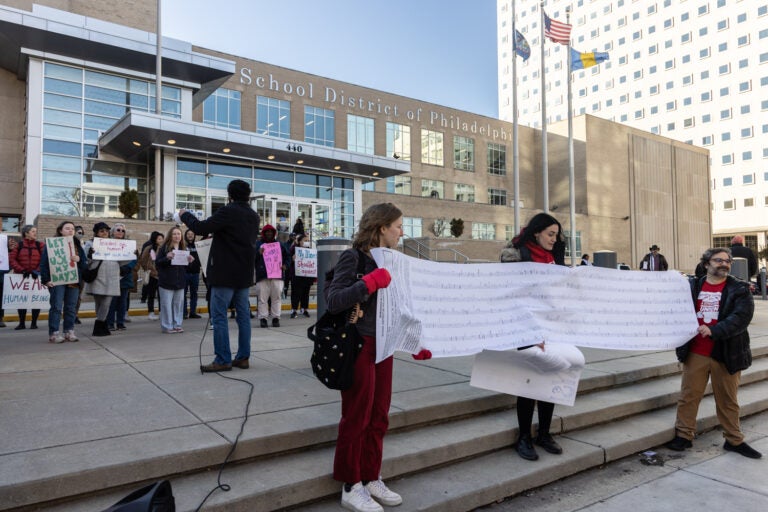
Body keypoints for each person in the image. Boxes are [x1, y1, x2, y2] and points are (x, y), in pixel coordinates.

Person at [326, 202, 428, 512]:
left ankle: (371, 476)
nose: (402, 231)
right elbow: (333, 301)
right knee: (357, 413)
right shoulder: (353, 257)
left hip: (385, 345)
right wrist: (368, 283)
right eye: (398, 225)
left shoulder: (396, 261)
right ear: (382, 227)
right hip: (359, 343)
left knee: (379, 414)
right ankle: (350, 483)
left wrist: (415, 342)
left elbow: (400, 307)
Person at [665, 248, 761, 459]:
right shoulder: (692, 287)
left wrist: (715, 330)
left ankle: (734, 440)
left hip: (726, 353)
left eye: (727, 261)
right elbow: (674, 309)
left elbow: (741, 318)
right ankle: (684, 435)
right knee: (689, 396)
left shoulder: (740, 289)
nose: (724, 264)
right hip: (695, 352)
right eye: (718, 260)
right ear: (707, 264)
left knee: (727, 399)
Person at [500, 212, 568, 461]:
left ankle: (545, 433)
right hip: (527, 328)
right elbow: (513, 296)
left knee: (550, 379)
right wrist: (532, 332)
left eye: (556, 235)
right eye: (550, 234)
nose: (554, 239)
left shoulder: (553, 256)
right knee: (529, 384)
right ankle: (524, 437)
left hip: (553, 328)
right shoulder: (516, 255)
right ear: (537, 232)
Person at [179, 179, 260, 372]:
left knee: (219, 315)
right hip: (243, 274)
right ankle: (243, 357)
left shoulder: (229, 211)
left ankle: (223, 358)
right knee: (243, 316)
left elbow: (199, 228)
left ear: (230, 195)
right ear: (248, 195)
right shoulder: (253, 216)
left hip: (224, 273)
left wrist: (185, 215)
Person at [40, 220, 88, 342]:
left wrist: (79, 259)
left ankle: (69, 331)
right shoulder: (52, 244)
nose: (70, 230)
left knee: (71, 307)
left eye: (72, 228)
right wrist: (46, 280)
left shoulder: (77, 245)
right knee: (56, 307)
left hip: (73, 281)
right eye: (67, 228)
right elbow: (44, 263)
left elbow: (84, 263)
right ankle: (54, 333)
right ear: (60, 230)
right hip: (57, 281)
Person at [85, 222, 121, 337]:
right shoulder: (90, 244)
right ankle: (103, 325)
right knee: (99, 303)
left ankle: (99, 324)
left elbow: (122, 261)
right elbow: (85, 261)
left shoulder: (114, 244)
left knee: (106, 303)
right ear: (96, 232)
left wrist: (132, 256)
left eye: (106, 230)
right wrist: (90, 255)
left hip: (112, 277)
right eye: (101, 230)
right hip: (98, 277)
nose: (104, 232)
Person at [155, 226, 193, 334]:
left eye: (179, 234)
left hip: (180, 282)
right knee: (166, 305)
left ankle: (177, 325)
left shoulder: (184, 249)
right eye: (174, 234)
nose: (177, 236)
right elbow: (158, 263)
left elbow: (186, 268)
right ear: (170, 236)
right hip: (166, 281)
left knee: (178, 304)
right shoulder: (164, 248)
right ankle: (167, 326)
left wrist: (190, 261)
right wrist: (167, 258)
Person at [10, 224, 44, 330]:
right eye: (33, 231)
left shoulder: (40, 245)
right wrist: (21, 270)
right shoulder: (19, 245)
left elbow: (44, 259)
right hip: (21, 277)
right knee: (22, 300)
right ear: (26, 233)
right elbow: (12, 259)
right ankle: (22, 323)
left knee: (36, 300)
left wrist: (37, 271)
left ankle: (34, 323)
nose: (35, 233)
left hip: (35, 277)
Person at [255, 224, 288, 328]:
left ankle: (275, 318)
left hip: (277, 276)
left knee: (277, 298)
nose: (269, 233)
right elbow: (250, 258)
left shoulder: (279, 244)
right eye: (267, 231)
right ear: (263, 233)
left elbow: (288, 256)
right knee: (262, 299)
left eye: (271, 231)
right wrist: (258, 253)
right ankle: (263, 319)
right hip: (262, 276)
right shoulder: (257, 244)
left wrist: (285, 265)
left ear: (274, 233)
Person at [106, 223, 136, 331]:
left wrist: (128, 267)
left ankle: (120, 322)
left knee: (122, 301)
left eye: (123, 231)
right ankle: (110, 322)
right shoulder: (107, 243)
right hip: (112, 275)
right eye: (118, 230)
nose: (121, 232)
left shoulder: (129, 244)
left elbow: (134, 258)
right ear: (113, 231)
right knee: (111, 301)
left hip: (125, 276)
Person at [139, 231, 164, 320]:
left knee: (162, 295)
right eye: (159, 239)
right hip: (152, 275)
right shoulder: (149, 248)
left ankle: (162, 312)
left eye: (162, 239)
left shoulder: (164, 248)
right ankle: (151, 312)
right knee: (151, 295)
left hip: (162, 275)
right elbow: (143, 260)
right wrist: (148, 269)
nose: (161, 240)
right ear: (155, 239)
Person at [289, 233, 314, 318]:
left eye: (307, 241)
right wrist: (292, 259)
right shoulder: (293, 249)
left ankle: (304, 309)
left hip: (306, 275)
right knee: (296, 293)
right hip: (297, 275)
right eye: (305, 240)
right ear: (299, 241)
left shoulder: (310, 251)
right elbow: (288, 260)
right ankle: (294, 309)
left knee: (306, 293)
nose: (306, 242)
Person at [0, 218, 19, 328]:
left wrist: (9, 267)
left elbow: (13, 254)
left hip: (1, 272)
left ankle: (0, 318)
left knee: (0, 296)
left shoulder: (5, 239)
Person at [183, 229, 202, 319]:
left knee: (194, 293)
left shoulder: (198, 246)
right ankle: (184, 313)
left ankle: (193, 312)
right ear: (186, 235)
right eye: (188, 234)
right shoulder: (182, 246)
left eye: (192, 234)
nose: (190, 235)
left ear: (194, 236)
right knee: (183, 293)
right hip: (185, 273)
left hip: (195, 273)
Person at [73, 225, 86, 325]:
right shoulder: (70, 244)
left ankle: (75, 315)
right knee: (71, 297)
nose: (80, 235)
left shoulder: (84, 245)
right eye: (79, 233)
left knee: (78, 297)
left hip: (81, 274)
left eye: (82, 233)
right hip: (71, 273)